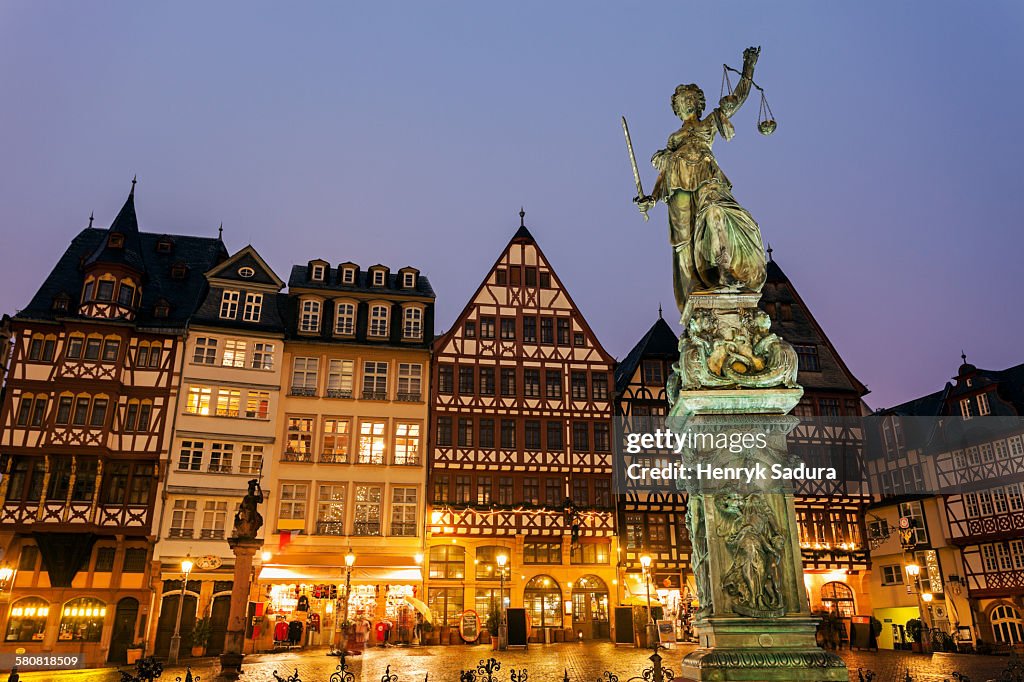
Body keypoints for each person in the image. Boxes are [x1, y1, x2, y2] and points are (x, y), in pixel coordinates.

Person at [637, 47, 767, 313]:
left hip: (707, 180)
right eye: (681, 100)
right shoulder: (673, 139)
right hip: (677, 188)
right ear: (676, 108)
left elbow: (736, 101)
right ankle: (693, 292)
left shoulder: (708, 124)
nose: (686, 103)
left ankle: (724, 273)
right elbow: (664, 173)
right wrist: (652, 198)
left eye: (690, 99)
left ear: (698, 103)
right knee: (683, 240)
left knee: (716, 221)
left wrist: (748, 69)